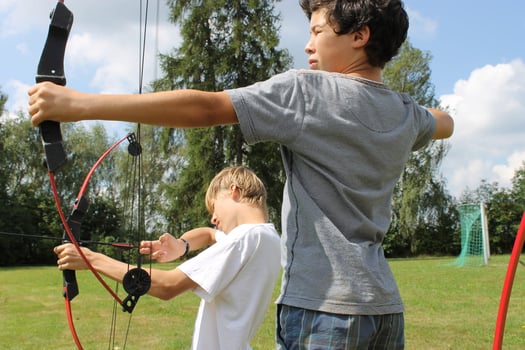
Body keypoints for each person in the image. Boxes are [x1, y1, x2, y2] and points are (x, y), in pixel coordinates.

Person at [31, 0, 454, 348]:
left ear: (360, 36)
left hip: (324, 310)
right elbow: (445, 122)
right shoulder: (405, 114)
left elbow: (208, 107)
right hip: (385, 311)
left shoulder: (309, 91)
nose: (308, 46)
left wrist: (78, 104)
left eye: (318, 32)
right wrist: (419, 115)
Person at [54, 166, 281, 350]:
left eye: (214, 207)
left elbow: (167, 286)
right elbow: (210, 234)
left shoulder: (244, 239)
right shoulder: (268, 237)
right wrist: (181, 246)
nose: (213, 218)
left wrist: (91, 260)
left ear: (235, 191)